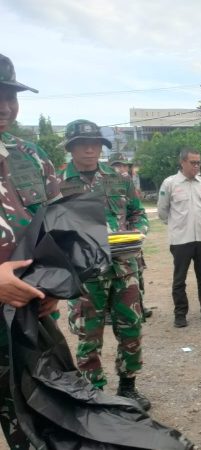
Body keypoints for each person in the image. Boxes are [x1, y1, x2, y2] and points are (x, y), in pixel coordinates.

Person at [57, 119, 151, 411]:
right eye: (83, 144)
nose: (90, 149)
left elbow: (138, 214)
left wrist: (138, 233)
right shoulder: (59, 183)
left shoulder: (118, 178)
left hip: (123, 267)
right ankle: (93, 392)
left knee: (131, 327)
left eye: (96, 143)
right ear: (71, 147)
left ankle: (128, 387)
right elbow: (49, 227)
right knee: (88, 334)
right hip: (85, 273)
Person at [0, 53, 62, 449]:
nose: (6, 107)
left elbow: (57, 230)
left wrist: (54, 285)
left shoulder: (32, 156)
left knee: (43, 425)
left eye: (11, 95)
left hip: (27, 320)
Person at [157, 148, 201, 328]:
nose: (197, 166)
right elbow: (163, 210)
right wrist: (176, 226)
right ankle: (180, 313)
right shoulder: (170, 183)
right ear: (182, 163)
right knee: (179, 278)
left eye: (199, 162)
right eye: (193, 162)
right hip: (180, 239)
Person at [109, 152, 153, 320]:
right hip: (114, 241)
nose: (122, 168)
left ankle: (139, 304)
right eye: (117, 165)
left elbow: (136, 211)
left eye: (124, 165)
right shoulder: (106, 185)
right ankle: (109, 310)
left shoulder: (128, 184)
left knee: (138, 271)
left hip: (131, 240)